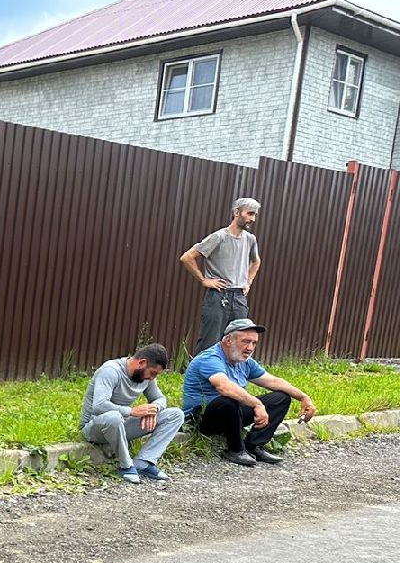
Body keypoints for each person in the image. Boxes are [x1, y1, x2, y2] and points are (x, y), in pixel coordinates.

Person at [181, 319, 317, 466]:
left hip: (233, 415)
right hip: (201, 418)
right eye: (246, 341)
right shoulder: (210, 358)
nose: (250, 348)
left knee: (281, 398)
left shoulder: (244, 362)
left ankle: (253, 446)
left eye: (254, 343)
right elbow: (224, 387)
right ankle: (235, 450)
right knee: (228, 399)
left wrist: (303, 397)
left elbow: (273, 381)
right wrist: (257, 404)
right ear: (228, 340)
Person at [80, 343, 184, 483]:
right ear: (142, 363)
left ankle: (144, 462)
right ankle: (126, 465)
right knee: (114, 417)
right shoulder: (110, 370)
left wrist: (153, 409)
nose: (152, 378)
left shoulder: (146, 377)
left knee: (176, 415)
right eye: (153, 373)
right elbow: (99, 406)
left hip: (121, 425)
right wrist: (131, 411)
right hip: (95, 427)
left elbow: (160, 398)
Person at [180, 197, 262, 352]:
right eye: (250, 214)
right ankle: (202, 369)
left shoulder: (250, 239)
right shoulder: (219, 237)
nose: (253, 219)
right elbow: (187, 257)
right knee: (210, 343)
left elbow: (256, 261)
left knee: (239, 344)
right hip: (218, 297)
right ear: (237, 213)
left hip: (239, 299)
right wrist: (204, 280)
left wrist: (248, 282)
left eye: (254, 215)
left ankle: (228, 370)